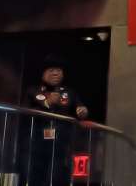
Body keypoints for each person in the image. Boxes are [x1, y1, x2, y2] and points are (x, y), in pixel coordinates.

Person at [22, 56, 88, 186]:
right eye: (51, 70)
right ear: (43, 73)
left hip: (61, 145)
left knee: (57, 175)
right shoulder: (33, 90)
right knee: (35, 175)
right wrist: (47, 103)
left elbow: (80, 108)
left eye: (58, 70)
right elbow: (24, 112)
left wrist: (83, 111)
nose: (55, 73)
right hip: (36, 143)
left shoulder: (69, 92)